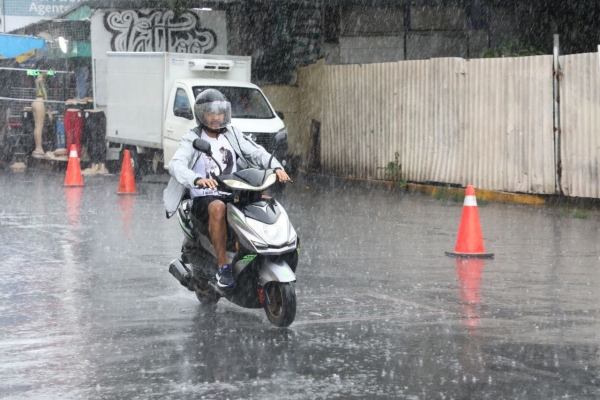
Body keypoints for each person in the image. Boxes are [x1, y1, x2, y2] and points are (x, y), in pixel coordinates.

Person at [163, 89, 290, 288]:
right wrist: (197, 179)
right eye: (210, 113)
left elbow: (256, 152)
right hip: (204, 197)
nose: (216, 118)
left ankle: (264, 251)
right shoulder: (192, 138)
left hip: (231, 191)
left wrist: (276, 167)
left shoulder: (232, 134)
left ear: (226, 113)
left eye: (220, 112)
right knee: (218, 208)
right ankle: (223, 267)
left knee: (265, 202)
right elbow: (176, 164)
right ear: (202, 115)